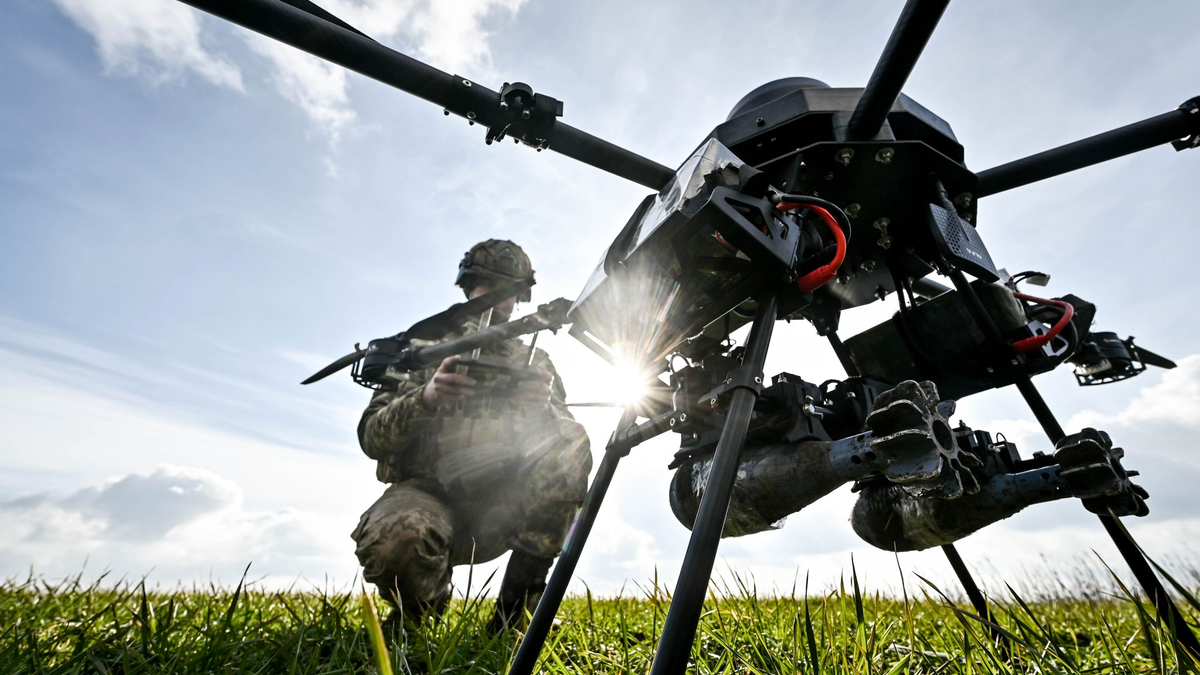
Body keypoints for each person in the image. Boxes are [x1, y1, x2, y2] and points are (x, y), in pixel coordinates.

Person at [351, 239, 592, 629]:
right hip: (428, 494)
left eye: (509, 291)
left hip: (503, 504)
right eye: (487, 286)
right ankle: (418, 617)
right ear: (468, 287)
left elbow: (567, 443)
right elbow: (371, 436)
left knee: (570, 442)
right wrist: (426, 398)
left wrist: (540, 408)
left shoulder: (536, 359)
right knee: (398, 538)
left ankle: (516, 613)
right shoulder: (421, 350)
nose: (498, 299)